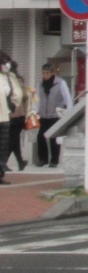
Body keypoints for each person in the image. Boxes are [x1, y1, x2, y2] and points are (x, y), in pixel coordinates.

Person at [36, 62, 72, 168]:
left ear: (52, 73)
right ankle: (43, 159)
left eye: (47, 73)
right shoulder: (40, 85)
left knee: (54, 139)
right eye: (43, 73)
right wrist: (35, 111)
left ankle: (54, 160)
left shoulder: (60, 83)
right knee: (40, 137)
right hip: (43, 115)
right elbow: (37, 100)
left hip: (55, 115)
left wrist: (68, 112)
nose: (45, 75)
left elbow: (67, 98)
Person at [4, 60, 28, 172]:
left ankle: (19, 161)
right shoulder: (17, 81)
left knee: (14, 139)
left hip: (9, 114)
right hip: (18, 114)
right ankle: (4, 162)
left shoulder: (6, 79)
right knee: (13, 140)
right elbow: (24, 96)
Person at [0, 53, 12, 184]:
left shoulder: (7, 77)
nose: (6, 65)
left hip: (5, 116)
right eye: (4, 63)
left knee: (3, 147)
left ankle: (1, 174)